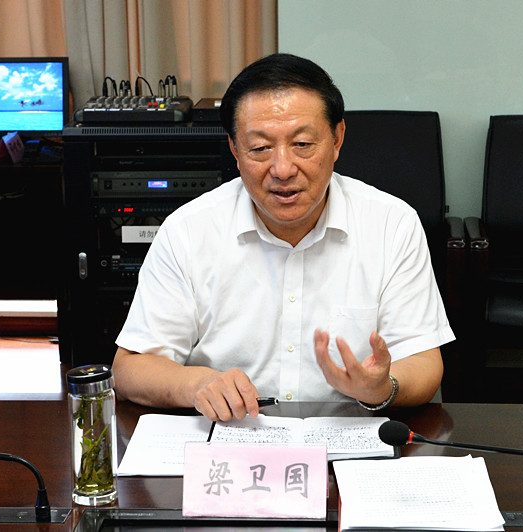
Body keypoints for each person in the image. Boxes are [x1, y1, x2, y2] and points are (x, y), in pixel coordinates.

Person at [113, 53, 454, 421]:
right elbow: (130, 368)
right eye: (260, 148)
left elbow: (423, 362)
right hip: (231, 440)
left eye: (302, 144)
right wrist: (197, 384)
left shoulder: (391, 224)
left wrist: (382, 388)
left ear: (337, 139)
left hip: (346, 440)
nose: (282, 169)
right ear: (235, 149)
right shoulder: (188, 230)